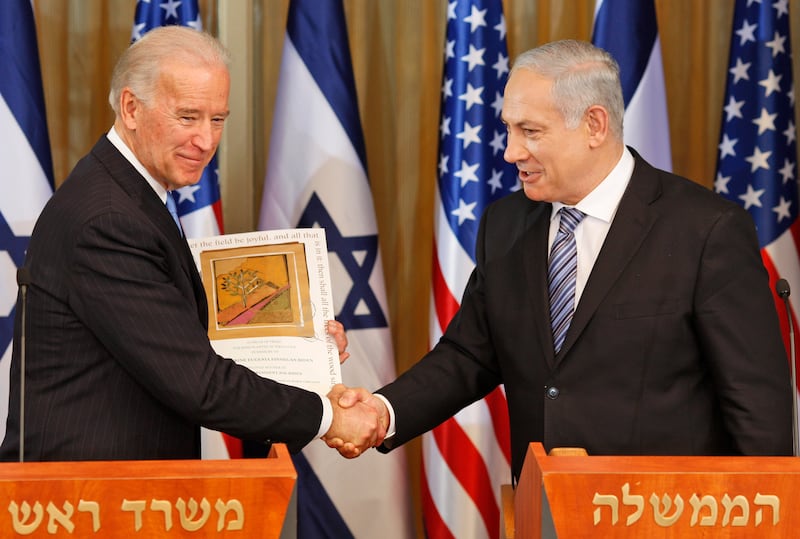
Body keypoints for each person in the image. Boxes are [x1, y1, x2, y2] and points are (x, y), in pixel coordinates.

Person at [330, 39, 793, 480]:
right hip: (545, 509)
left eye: (530, 131)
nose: (512, 151)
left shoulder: (705, 231)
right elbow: (468, 355)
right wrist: (380, 412)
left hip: (666, 516)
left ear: (594, 125)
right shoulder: (505, 224)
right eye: (509, 129)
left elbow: (755, 407)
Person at [0, 26, 381, 462]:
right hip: (87, 503)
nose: (206, 141)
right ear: (130, 108)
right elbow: (198, 383)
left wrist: (302, 348)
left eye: (217, 119)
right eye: (187, 117)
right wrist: (329, 416)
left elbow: (171, 343)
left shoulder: (131, 196)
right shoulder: (108, 220)